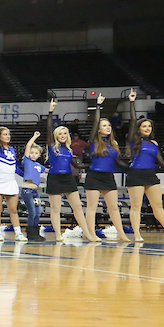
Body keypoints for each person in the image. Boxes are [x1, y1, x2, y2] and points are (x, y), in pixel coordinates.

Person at [125, 90, 164, 242]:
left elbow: (162, 162)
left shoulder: (154, 143)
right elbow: (133, 121)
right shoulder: (135, 140)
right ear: (139, 129)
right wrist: (132, 102)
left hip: (151, 175)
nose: (147, 128)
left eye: (149, 126)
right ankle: (137, 234)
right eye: (144, 126)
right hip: (136, 174)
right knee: (136, 206)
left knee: (158, 206)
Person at [44, 99, 98, 242]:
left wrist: (92, 166)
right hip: (55, 178)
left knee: (78, 207)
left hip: (68, 178)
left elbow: (77, 165)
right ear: (56, 136)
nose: (62, 136)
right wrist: (50, 112)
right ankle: (57, 234)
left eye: (65, 133)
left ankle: (87, 233)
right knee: (55, 209)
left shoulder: (69, 150)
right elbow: (48, 128)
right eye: (60, 134)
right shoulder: (52, 147)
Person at [84, 94, 129, 242]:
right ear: (98, 129)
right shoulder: (94, 141)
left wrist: (132, 167)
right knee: (92, 207)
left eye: (109, 125)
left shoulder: (113, 144)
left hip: (109, 177)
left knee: (114, 207)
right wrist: (98, 106)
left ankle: (121, 233)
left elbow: (119, 162)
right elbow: (96, 122)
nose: (108, 127)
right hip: (94, 176)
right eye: (104, 125)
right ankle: (90, 234)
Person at [0, 105, 26, 242]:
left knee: (13, 210)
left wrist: (26, 176)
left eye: (9, 134)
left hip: (11, 182)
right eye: (5, 134)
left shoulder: (13, 150)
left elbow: (14, 168)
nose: (8, 136)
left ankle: (19, 233)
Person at [21, 134, 46, 241]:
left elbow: (48, 171)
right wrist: (34, 137)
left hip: (35, 191)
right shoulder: (27, 162)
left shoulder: (39, 166)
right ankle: (30, 233)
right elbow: (28, 146)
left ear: (39, 155)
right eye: (32, 153)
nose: (33, 155)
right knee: (32, 212)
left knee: (38, 212)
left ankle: (36, 232)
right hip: (27, 190)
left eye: (36, 153)